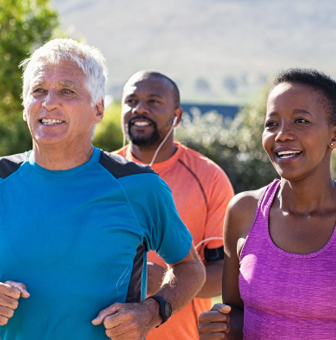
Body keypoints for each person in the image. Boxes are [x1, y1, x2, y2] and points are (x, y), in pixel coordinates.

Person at [198, 68, 336, 340]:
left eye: (300, 121)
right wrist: (220, 328)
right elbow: (236, 313)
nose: (282, 134)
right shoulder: (243, 212)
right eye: (272, 123)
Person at [0, 38, 206, 340]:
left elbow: (190, 267)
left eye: (67, 91)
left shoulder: (139, 186)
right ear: (25, 107)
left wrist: (152, 311)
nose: (49, 102)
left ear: (98, 108)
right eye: (39, 91)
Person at [114, 70, 234, 340]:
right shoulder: (99, 176)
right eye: (131, 101)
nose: (140, 109)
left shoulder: (209, 178)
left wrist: (168, 281)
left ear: (176, 116)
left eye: (154, 101)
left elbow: (226, 272)